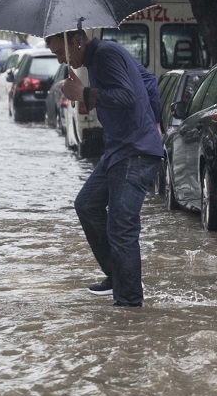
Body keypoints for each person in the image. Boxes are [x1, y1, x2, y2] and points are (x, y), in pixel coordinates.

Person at [48, 29, 164, 308]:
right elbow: (146, 80)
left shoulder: (107, 54)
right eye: (55, 54)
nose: (60, 58)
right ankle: (118, 275)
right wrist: (89, 99)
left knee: (121, 224)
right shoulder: (99, 58)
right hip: (118, 151)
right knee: (86, 205)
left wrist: (87, 93)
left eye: (60, 51)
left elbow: (127, 96)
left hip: (134, 152)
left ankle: (129, 304)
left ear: (75, 40)